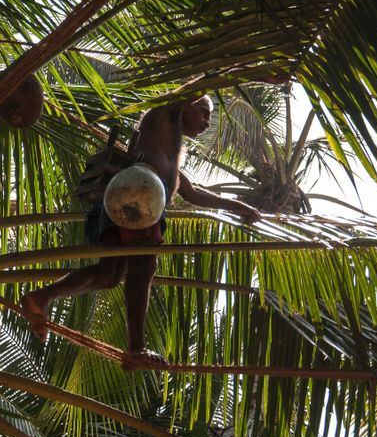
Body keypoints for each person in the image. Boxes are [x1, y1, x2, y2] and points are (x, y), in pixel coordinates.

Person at [21, 94, 261, 367]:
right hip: (135, 198)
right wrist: (228, 69)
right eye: (204, 112)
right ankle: (136, 349)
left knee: (109, 275)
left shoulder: (170, 148)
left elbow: (193, 193)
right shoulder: (161, 117)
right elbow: (197, 85)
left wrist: (236, 205)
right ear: (186, 103)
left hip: (123, 205)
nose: (207, 122)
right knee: (144, 267)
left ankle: (40, 298)